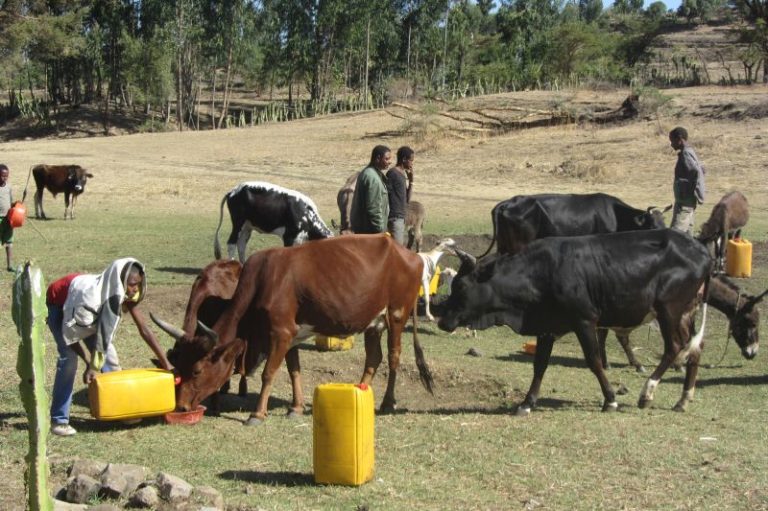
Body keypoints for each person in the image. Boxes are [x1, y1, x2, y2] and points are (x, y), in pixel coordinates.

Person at [47, 258, 173, 436]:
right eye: (132, 285)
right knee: (69, 361)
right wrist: (89, 363)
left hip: (90, 311)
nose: (135, 289)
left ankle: (120, 411)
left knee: (109, 358)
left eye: (138, 284)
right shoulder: (88, 300)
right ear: (122, 282)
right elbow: (71, 335)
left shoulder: (122, 290)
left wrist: (166, 363)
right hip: (61, 304)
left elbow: (143, 330)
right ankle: (59, 421)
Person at [669, 126, 706, 235]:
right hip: (687, 202)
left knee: (674, 237)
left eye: (672, 140)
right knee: (688, 238)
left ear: (679, 139)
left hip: (684, 203)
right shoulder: (689, 151)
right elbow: (699, 169)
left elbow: (696, 171)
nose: (671, 144)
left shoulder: (686, 153)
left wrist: (688, 190)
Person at [350, 145, 392, 234]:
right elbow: (373, 208)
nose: (390, 162)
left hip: (364, 229)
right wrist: (380, 230)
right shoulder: (373, 178)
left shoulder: (368, 173)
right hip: (371, 232)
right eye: (387, 159)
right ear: (378, 158)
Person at [386, 146, 415, 245]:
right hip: (394, 217)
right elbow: (385, 194)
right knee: (397, 249)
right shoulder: (393, 173)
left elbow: (407, 199)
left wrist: (411, 181)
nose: (412, 163)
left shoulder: (402, 174)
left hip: (400, 217)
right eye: (411, 160)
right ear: (404, 159)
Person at [0, 164, 14, 271]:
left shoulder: (9, 187)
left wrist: (18, 206)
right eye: (3, 176)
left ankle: (10, 266)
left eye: (6, 176)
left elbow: (11, 202)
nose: (5, 178)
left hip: (8, 219)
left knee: (9, 242)